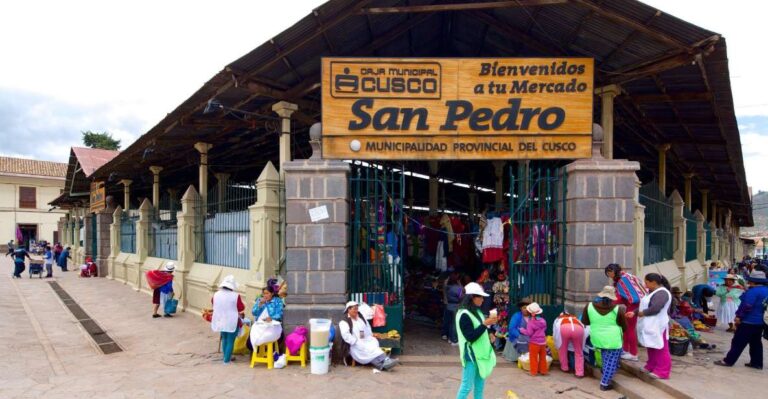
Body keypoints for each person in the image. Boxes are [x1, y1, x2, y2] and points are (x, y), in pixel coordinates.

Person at [715, 270, 768, 370]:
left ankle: (728, 361)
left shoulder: (753, 291)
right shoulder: (766, 290)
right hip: (761, 322)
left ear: (753, 281)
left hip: (748, 321)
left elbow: (747, 305)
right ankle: (756, 363)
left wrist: (739, 316)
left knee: (738, 342)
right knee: (756, 343)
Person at [455, 282, 497, 399]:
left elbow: (480, 327)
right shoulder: (463, 315)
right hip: (470, 355)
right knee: (466, 386)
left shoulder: (477, 311)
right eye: (480, 297)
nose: (483, 300)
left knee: (479, 386)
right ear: (472, 297)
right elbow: (470, 336)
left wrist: (489, 333)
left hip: (480, 354)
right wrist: (485, 324)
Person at [582, 286, 627, 392]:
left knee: (605, 356)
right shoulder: (618, 309)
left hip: (597, 338)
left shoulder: (589, 306)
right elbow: (624, 326)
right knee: (612, 361)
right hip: (613, 340)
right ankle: (604, 383)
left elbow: (586, 322)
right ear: (612, 298)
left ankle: (605, 371)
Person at [339, 301, 398, 371]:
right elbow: (346, 335)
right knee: (368, 349)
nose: (356, 311)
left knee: (372, 345)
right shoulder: (344, 321)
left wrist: (370, 335)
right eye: (354, 309)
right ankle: (386, 360)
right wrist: (356, 342)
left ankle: (382, 365)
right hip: (354, 345)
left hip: (366, 339)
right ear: (348, 309)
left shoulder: (360, 317)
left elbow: (367, 327)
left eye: (357, 309)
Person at [605, 263, 646, 361]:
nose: (609, 275)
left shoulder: (622, 281)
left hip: (633, 306)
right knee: (626, 329)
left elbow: (627, 297)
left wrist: (610, 302)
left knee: (629, 329)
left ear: (613, 271)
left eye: (609, 273)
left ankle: (633, 353)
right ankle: (626, 350)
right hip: (634, 305)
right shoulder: (626, 277)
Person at [637, 273, 672, 380]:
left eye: (647, 282)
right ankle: (651, 365)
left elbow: (655, 308)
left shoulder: (662, 293)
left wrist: (642, 313)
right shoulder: (652, 292)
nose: (645, 285)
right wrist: (635, 312)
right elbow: (645, 305)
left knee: (661, 347)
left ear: (654, 282)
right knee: (651, 346)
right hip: (650, 324)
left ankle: (662, 371)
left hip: (658, 325)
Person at [211, 275, 245, 364]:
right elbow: (241, 307)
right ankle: (226, 360)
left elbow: (213, 303)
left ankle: (225, 356)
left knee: (224, 338)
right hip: (232, 320)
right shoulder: (235, 296)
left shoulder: (216, 294)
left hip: (220, 319)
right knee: (231, 340)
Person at [553, 311, 585, 378]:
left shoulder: (558, 319)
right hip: (578, 329)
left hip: (564, 329)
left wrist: (557, 344)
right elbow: (584, 330)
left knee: (563, 350)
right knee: (579, 352)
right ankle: (579, 372)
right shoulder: (576, 319)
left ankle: (564, 367)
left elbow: (555, 333)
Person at [520, 302, 548, 376]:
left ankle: (533, 372)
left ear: (532, 313)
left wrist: (522, 330)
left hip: (534, 343)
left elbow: (529, 333)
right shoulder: (543, 321)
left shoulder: (531, 323)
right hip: (543, 342)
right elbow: (544, 329)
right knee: (542, 358)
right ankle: (543, 371)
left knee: (533, 358)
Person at [502, 298, 531, 362]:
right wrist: (520, 336)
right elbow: (512, 329)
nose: (526, 310)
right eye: (524, 308)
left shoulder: (532, 317)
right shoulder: (516, 316)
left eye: (528, 308)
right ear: (521, 308)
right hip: (517, 337)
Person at [442, 272, 463, 345]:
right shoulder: (459, 288)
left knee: (450, 323)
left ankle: (449, 338)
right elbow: (461, 297)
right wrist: (460, 285)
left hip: (448, 306)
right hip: (455, 307)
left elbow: (445, 285)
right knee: (454, 324)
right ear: (457, 280)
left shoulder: (447, 287)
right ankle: (453, 340)